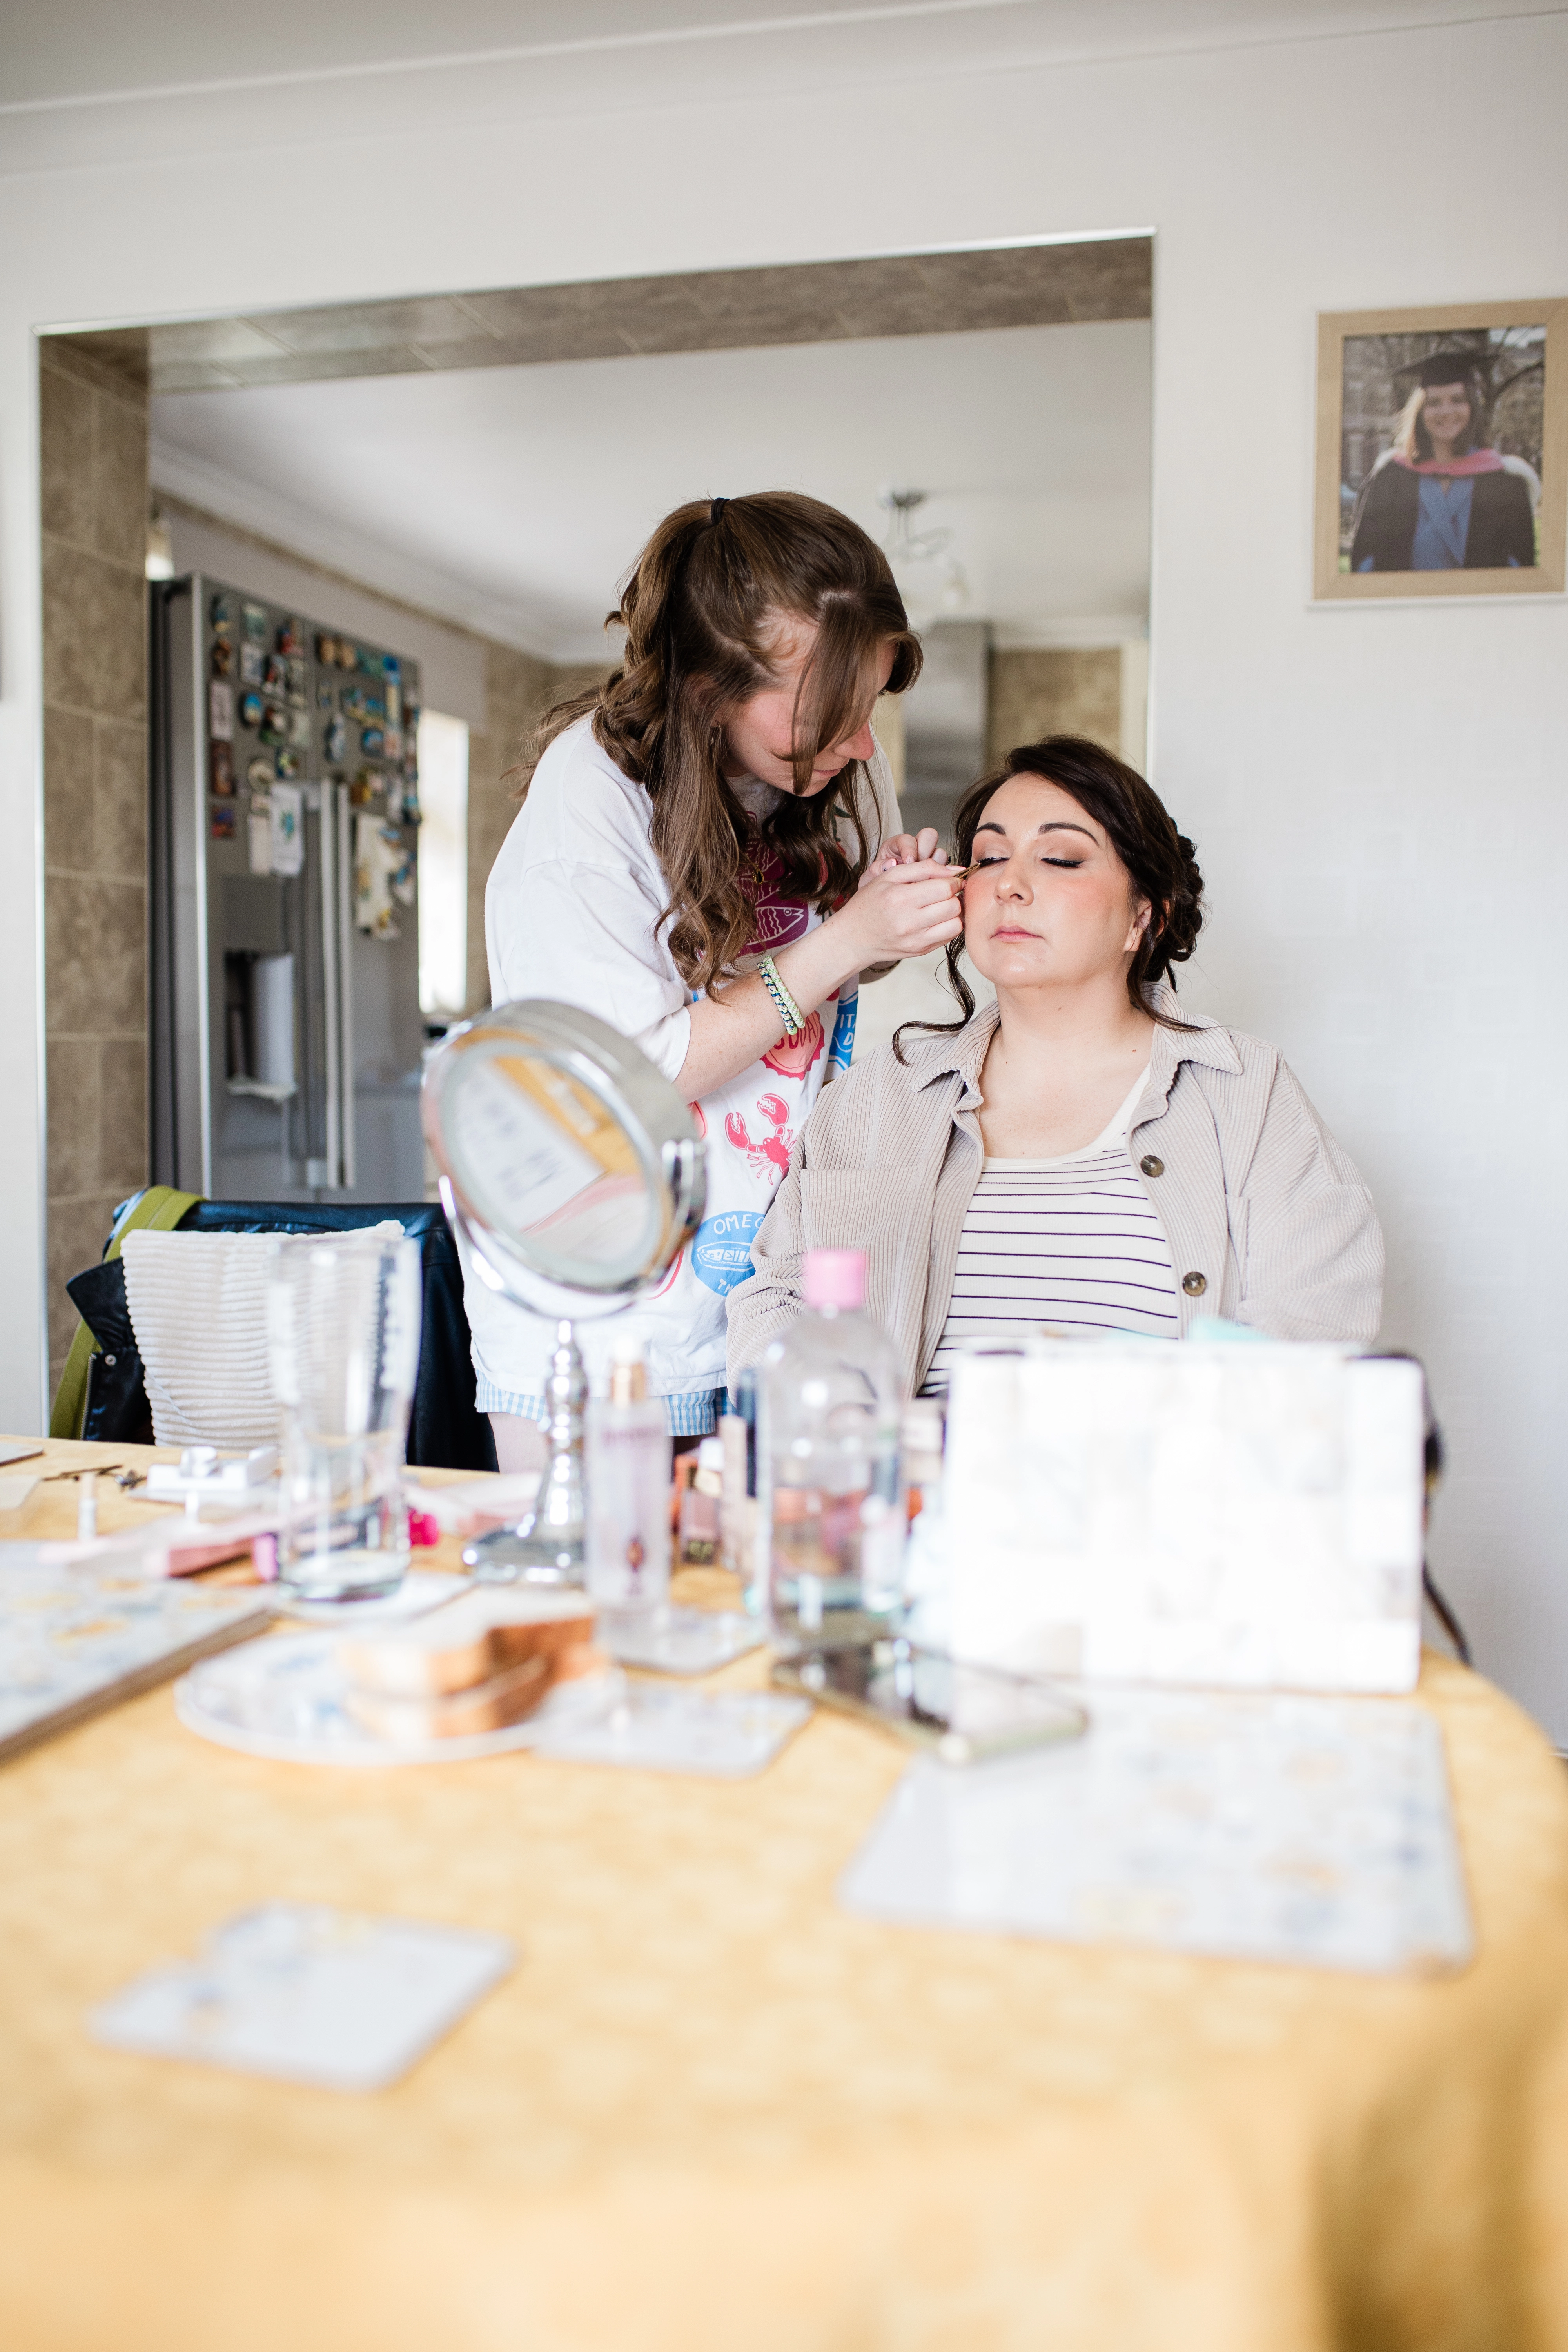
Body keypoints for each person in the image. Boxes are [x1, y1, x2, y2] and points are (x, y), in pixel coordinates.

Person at [471, 491, 964, 1466]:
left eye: (868, 707)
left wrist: (878, 932)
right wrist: (841, 941)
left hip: (765, 1297)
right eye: (832, 714)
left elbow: (821, 1003)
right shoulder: (588, 813)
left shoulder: (823, 770)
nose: (863, 743)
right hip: (608, 1321)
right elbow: (629, 1076)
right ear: (707, 691)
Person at [728, 735, 1382, 1396]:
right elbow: (772, 1308)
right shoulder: (879, 1095)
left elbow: (1312, 1338)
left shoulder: (1245, 1092)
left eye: (1061, 859)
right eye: (989, 857)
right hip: (907, 1488)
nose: (1010, 884)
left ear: (1142, 917)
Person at [1350, 351, 1538, 572]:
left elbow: (1521, 565)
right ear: (1420, 412)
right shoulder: (1391, 477)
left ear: (1472, 408)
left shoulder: (1506, 482)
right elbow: (1364, 559)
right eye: (1434, 403)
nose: (1446, 411)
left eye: (1457, 400)